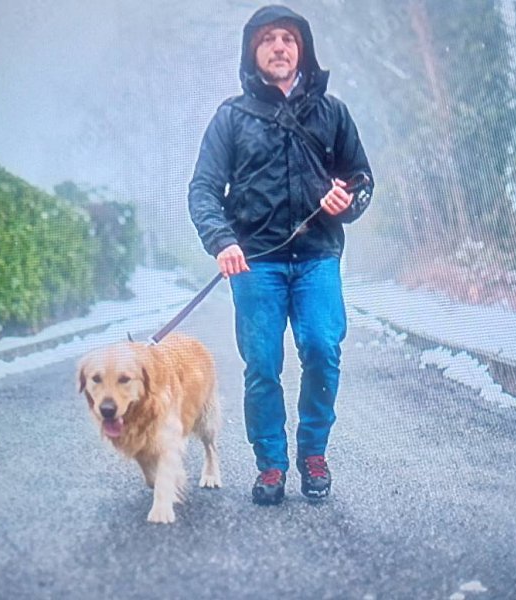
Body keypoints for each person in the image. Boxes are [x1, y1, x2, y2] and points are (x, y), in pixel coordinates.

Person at [188, 4, 373, 505]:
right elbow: (203, 189)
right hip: (255, 263)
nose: (279, 47)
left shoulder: (332, 113)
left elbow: (360, 180)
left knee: (322, 349)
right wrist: (222, 241)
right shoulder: (231, 117)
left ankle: (314, 454)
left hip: (318, 256)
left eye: (288, 39)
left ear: (301, 50)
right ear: (253, 52)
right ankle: (270, 465)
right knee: (262, 365)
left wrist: (346, 202)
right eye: (268, 39)